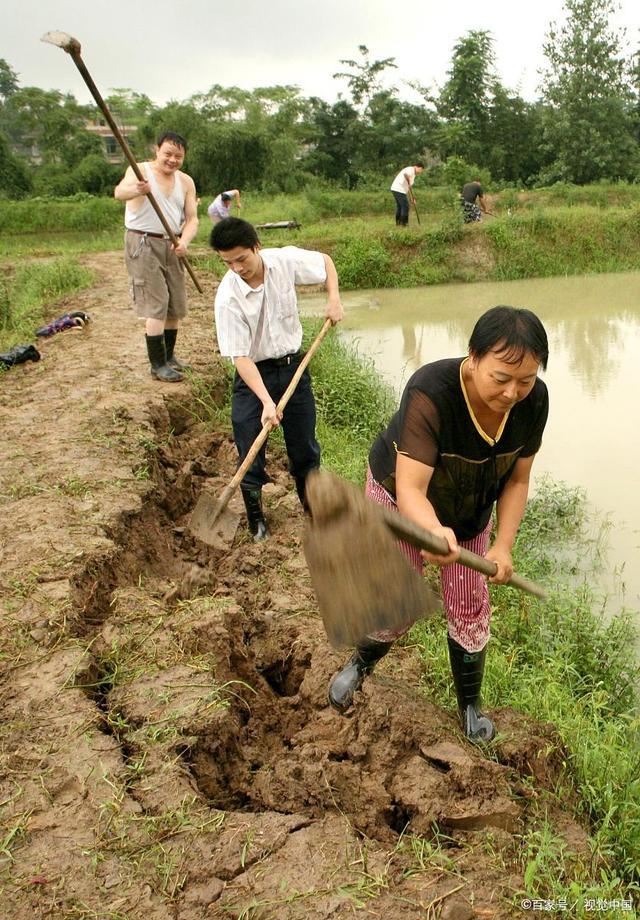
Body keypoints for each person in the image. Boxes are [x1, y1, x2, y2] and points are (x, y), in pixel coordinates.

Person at [328, 306, 549, 743]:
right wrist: (431, 530)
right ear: (473, 356)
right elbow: (411, 489)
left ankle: (469, 704)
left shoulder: (534, 402)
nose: (512, 392)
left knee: (469, 605)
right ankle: (359, 665)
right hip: (403, 501)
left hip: (469, 507)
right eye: (501, 378)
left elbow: (518, 478)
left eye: (525, 380)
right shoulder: (431, 391)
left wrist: (502, 546)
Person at [211, 217, 344, 540]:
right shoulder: (228, 298)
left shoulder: (283, 261)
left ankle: (313, 511)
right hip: (254, 375)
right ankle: (257, 521)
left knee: (305, 447)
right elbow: (240, 357)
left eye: (241, 259)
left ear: (257, 247)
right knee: (249, 445)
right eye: (228, 262)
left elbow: (325, 263)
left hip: (293, 368)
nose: (237, 268)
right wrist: (267, 402)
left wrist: (334, 299)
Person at [115, 131, 199, 383]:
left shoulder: (186, 181)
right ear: (157, 150)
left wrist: (184, 241)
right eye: (168, 154)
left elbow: (192, 219)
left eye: (178, 156)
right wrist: (136, 189)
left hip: (172, 243)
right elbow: (119, 193)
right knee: (157, 303)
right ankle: (157, 364)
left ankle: (170, 356)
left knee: (175, 303)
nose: (172, 160)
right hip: (143, 241)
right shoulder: (140, 170)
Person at [390, 162, 424, 226]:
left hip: (397, 189)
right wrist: (408, 179)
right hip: (399, 189)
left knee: (400, 206)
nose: (420, 172)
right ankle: (404, 224)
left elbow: (409, 188)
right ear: (417, 167)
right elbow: (405, 174)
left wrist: (412, 198)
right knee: (405, 206)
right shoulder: (410, 169)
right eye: (420, 170)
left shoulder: (413, 174)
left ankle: (398, 224)